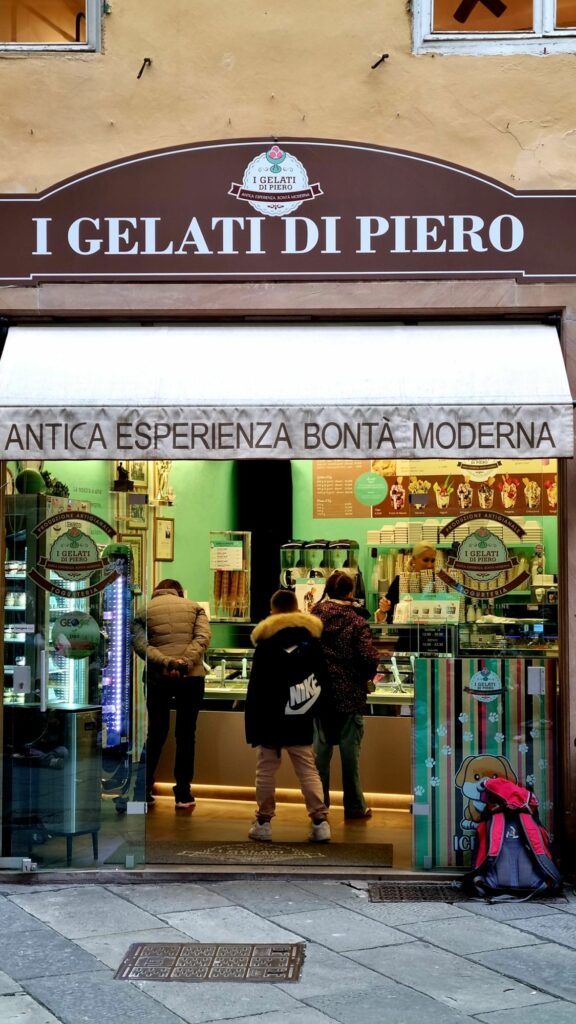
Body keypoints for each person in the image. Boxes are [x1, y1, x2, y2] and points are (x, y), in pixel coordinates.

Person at [245, 588, 331, 843]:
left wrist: (253, 725)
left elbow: (256, 688)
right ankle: (320, 821)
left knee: (266, 769)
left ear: (272, 611)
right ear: (297, 609)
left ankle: (263, 822)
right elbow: (323, 681)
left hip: (270, 717)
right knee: (307, 769)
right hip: (300, 712)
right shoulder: (312, 641)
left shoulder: (265, 643)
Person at [132, 578, 211, 809]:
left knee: (156, 732)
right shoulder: (195, 607)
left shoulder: (143, 610)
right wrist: (184, 662)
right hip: (191, 677)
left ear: (157, 591)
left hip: (158, 677)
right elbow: (202, 638)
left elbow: (141, 645)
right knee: (186, 734)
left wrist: (166, 662)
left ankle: (142, 791)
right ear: (179, 592)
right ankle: (183, 794)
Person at [311, 570, 380, 820]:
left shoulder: (313, 617)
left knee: (320, 757)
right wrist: (364, 677)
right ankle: (354, 807)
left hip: (319, 695)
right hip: (350, 695)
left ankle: (319, 807)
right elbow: (368, 657)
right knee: (350, 757)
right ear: (350, 592)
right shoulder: (356, 620)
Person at [376, 542, 437, 624]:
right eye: (425, 560)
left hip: (436, 631)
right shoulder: (400, 580)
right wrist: (383, 609)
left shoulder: (439, 580)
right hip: (407, 631)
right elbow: (385, 617)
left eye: (433, 561)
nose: (430, 565)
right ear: (414, 559)